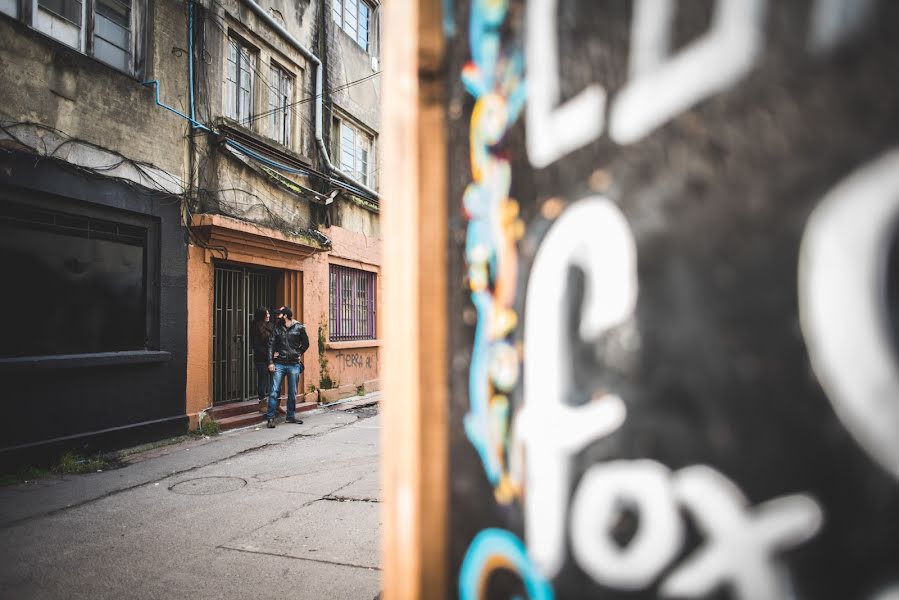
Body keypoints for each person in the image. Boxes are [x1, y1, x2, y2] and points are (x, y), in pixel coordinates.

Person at [266, 306, 309, 428]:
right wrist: (270, 362)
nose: (277, 316)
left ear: (285, 316)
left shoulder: (299, 328)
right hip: (279, 363)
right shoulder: (277, 329)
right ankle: (270, 418)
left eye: (279, 314)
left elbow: (306, 343)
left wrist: (298, 353)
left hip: (294, 364)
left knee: (292, 392)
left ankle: (290, 416)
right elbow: (270, 346)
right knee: (274, 391)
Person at [250, 307, 273, 413]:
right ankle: (262, 403)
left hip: (272, 359)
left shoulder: (270, 326)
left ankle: (274, 403)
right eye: (266, 314)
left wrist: (273, 354)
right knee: (262, 380)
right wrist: (268, 354)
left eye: (268, 313)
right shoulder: (255, 326)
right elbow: (255, 345)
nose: (268, 315)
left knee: (274, 380)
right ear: (261, 315)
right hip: (261, 358)